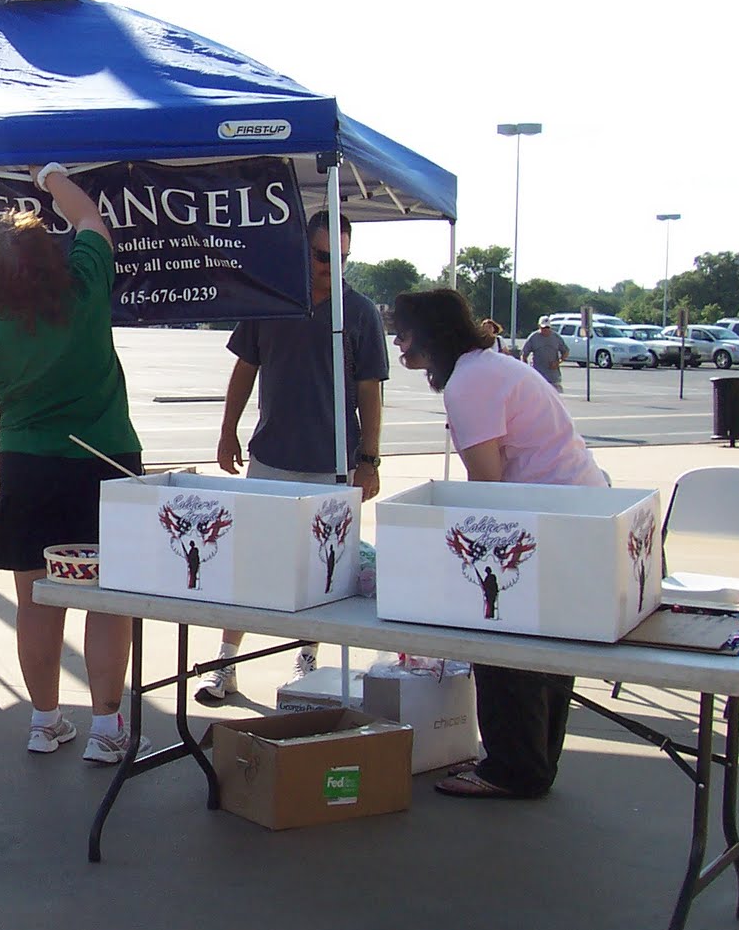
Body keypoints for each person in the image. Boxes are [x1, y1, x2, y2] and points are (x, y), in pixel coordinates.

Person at [390, 288, 605, 799]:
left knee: (501, 634)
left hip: (550, 516)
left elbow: (488, 488)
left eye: (403, 330)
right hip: (577, 512)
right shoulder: (490, 365)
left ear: (430, 335)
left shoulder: (469, 382)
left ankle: (509, 769)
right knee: (545, 646)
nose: (397, 341)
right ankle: (532, 764)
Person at [0, 163, 144, 764]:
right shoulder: (87, 288)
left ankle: (44, 723)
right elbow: (92, 218)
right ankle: (105, 728)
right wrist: (49, 176)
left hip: (28, 469)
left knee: (38, 601)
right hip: (105, 463)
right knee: (107, 601)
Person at [197, 210, 389, 703]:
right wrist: (226, 431)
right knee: (248, 562)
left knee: (324, 570)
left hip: (333, 464)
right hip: (271, 459)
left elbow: (370, 391)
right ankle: (226, 662)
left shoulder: (360, 313)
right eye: (325, 256)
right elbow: (244, 369)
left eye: (343, 258)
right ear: (304, 249)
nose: (333, 267)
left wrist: (369, 459)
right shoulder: (271, 300)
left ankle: (308, 659)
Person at [520, 316, 569, 390]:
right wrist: (527, 369)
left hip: (553, 376)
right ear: (539, 326)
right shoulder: (533, 337)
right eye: (543, 328)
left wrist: (558, 362)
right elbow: (524, 354)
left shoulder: (556, 337)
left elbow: (566, 351)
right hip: (538, 375)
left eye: (547, 328)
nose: (545, 330)